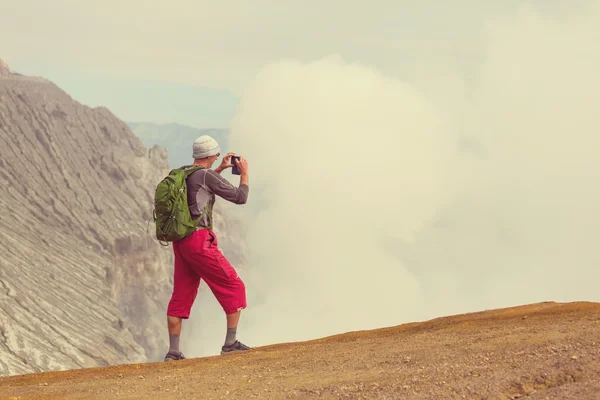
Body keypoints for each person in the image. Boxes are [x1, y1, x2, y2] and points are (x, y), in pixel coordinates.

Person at [164, 135, 251, 361]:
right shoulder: (206, 175)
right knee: (234, 285)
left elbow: (200, 190)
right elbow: (240, 197)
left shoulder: (184, 173)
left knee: (181, 295)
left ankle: (173, 352)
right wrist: (244, 173)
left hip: (181, 242)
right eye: (216, 155)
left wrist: (219, 170)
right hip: (199, 241)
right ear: (211, 155)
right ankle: (230, 344)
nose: (217, 158)